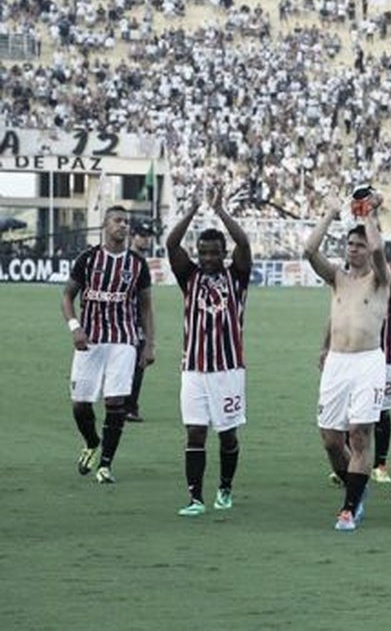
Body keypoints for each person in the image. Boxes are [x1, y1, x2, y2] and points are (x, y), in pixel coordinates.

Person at [304, 187, 391, 530]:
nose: (354, 249)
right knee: (331, 440)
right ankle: (358, 487)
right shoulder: (338, 279)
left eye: (359, 245)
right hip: (338, 364)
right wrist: (329, 212)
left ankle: (348, 508)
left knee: (359, 435)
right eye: (350, 245)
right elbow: (310, 250)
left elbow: (379, 248)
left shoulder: (380, 280)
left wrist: (369, 213)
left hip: (368, 362)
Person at [165, 189, 252, 517]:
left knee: (227, 434)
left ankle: (225, 487)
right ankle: (195, 498)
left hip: (229, 370)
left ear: (222, 253)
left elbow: (244, 244)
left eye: (214, 253)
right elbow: (171, 245)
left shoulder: (237, 277)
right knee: (195, 431)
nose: (208, 258)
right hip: (194, 368)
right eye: (203, 253)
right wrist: (190, 210)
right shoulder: (189, 277)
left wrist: (220, 210)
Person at [63, 205, 155, 484]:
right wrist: (75, 327)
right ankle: (92, 442)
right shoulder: (88, 259)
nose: (123, 225)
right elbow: (67, 296)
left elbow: (147, 308)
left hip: (124, 340)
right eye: (118, 220)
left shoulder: (137, 265)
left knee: (116, 403)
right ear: (105, 225)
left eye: (126, 222)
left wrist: (149, 344)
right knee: (81, 404)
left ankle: (105, 465)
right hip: (89, 340)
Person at [319, 269, 391, 485]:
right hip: (357, 357)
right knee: (356, 415)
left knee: (377, 413)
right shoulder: (350, 280)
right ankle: (361, 465)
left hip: (383, 357)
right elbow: (336, 317)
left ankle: (379, 464)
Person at [124, 220, 156, 423]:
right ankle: (127, 407)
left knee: (136, 366)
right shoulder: (131, 261)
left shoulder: (139, 262)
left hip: (135, 321)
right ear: (132, 236)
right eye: (142, 235)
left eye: (148, 235)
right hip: (127, 321)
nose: (145, 239)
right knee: (133, 366)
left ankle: (128, 406)